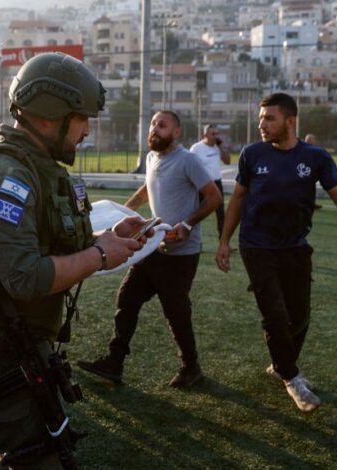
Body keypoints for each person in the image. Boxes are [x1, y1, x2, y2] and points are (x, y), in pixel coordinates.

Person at [0, 52, 146, 468]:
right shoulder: (7, 179)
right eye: (81, 118)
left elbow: (45, 247)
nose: (87, 130)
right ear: (48, 115)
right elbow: (24, 277)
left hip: (24, 339)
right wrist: (98, 255)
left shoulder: (38, 169)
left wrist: (106, 239)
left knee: (44, 448)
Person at [215, 92, 337, 412]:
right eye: (260, 118)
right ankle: (292, 377)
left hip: (296, 247)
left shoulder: (316, 157)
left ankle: (280, 364)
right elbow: (238, 200)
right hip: (256, 245)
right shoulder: (252, 154)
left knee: (300, 317)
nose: (262, 124)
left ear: (290, 121)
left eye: (269, 118)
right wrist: (223, 241)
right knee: (275, 314)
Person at [78, 111, 222, 388]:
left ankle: (191, 368)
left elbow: (214, 197)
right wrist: (122, 212)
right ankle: (114, 362)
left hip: (180, 254)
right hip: (152, 247)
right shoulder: (152, 157)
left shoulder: (187, 160)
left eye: (162, 125)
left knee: (176, 312)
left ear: (176, 132)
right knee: (126, 300)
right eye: (153, 124)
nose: (155, 129)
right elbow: (148, 189)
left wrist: (187, 225)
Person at [189, 124, 230, 238]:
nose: (216, 136)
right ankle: (192, 239)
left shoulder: (218, 147)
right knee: (196, 213)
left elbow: (227, 161)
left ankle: (223, 241)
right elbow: (190, 166)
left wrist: (222, 147)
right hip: (202, 184)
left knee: (221, 213)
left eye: (217, 134)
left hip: (216, 183)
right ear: (205, 135)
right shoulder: (196, 148)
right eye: (213, 134)